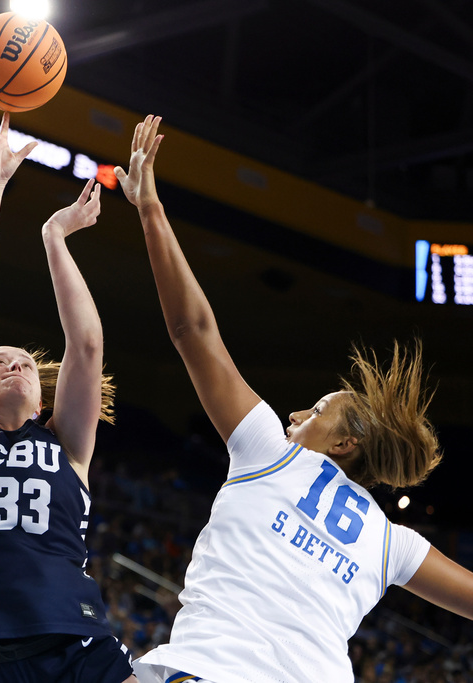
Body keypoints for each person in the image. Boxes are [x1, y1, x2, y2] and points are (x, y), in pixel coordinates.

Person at [116, 114, 473, 682]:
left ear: (346, 442)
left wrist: (150, 208)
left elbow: (193, 331)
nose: (296, 414)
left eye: (318, 409)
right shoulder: (391, 543)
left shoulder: (270, 451)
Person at [0, 102, 135, 683]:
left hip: (80, 645)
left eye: (22, 362)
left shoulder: (68, 447)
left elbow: (86, 344)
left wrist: (55, 238)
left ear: (42, 401)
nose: (14, 362)